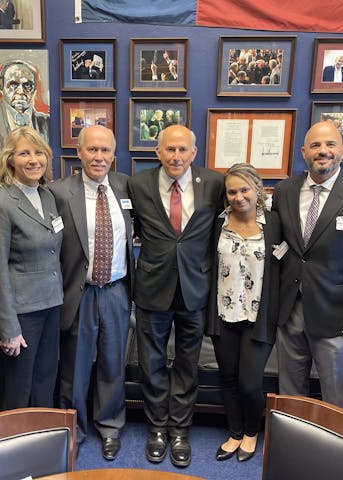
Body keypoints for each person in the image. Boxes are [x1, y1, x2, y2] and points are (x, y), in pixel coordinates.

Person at [272, 121, 343, 412]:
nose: (323, 151)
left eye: (330, 144)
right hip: (290, 311)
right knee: (290, 393)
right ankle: (293, 449)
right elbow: (281, 247)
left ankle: (337, 456)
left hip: (338, 316)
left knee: (336, 397)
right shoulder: (285, 190)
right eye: (315, 145)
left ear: (342, 150)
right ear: (304, 152)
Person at [127, 125, 224, 467]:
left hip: (195, 289)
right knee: (151, 363)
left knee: (187, 364)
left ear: (194, 153)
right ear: (158, 153)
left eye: (183, 150)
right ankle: (156, 427)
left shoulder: (214, 183)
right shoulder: (137, 185)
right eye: (169, 150)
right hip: (153, 288)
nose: (176, 156)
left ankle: (180, 429)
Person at [48, 125, 133, 461]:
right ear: (79, 153)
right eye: (92, 150)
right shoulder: (57, 192)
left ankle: (110, 427)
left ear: (114, 155)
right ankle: (75, 429)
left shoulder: (127, 187)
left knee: (113, 364)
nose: (99, 157)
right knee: (75, 367)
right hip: (78, 292)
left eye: (105, 151)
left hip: (115, 291)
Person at [0, 127, 63, 412]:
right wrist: (8, 328)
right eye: (24, 153)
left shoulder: (48, 197)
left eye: (39, 152)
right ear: (10, 159)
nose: (33, 159)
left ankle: (41, 443)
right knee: (17, 387)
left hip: (51, 305)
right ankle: (12, 450)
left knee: (44, 381)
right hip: (22, 313)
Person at [207, 164, 281, 463]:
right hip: (223, 313)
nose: (239, 197)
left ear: (257, 189)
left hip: (258, 317)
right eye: (232, 191)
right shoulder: (218, 224)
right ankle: (235, 433)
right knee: (228, 377)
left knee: (249, 382)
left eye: (244, 190)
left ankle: (252, 432)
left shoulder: (275, 224)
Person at [0, 60, 49, 178]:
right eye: (13, 85)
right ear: (1, 88)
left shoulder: (46, 123)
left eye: (27, 85)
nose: (21, 92)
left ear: (34, 90)